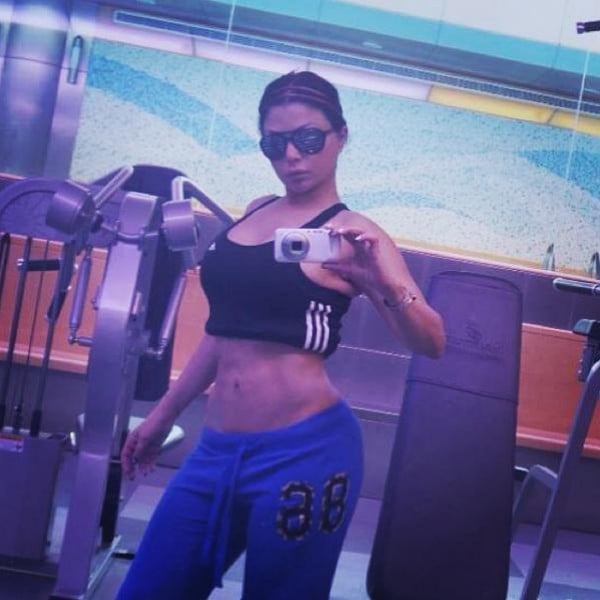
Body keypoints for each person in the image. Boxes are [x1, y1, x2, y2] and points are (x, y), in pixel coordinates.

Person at [116, 70, 445, 600]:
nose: (292, 155)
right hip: (216, 451)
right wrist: (162, 415)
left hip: (306, 455)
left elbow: (431, 341)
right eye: (275, 142)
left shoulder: (354, 232)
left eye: (309, 138)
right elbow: (221, 335)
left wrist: (381, 283)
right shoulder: (257, 210)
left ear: (340, 136)